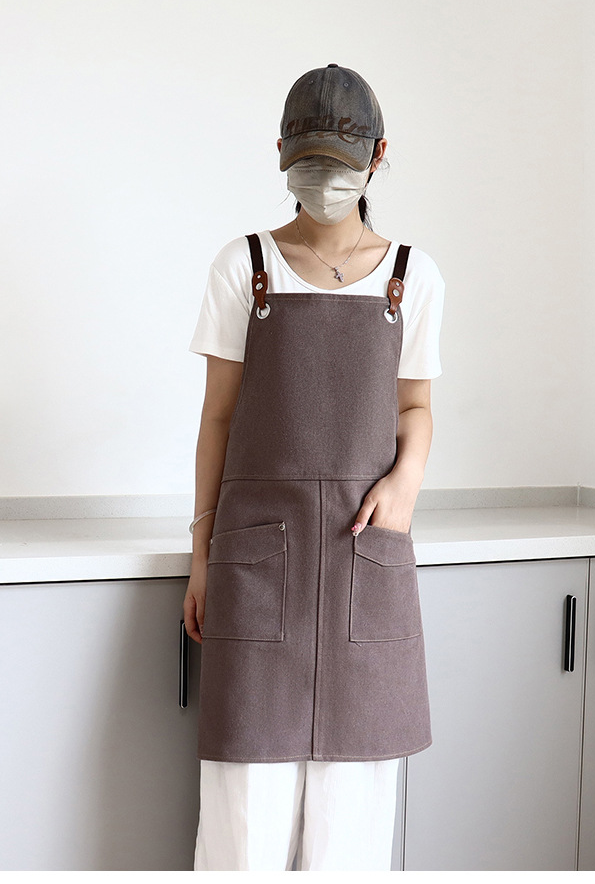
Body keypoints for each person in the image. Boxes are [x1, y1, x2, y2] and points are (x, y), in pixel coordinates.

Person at [183, 63, 446, 872]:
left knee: (350, 836)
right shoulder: (245, 266)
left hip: (364, 558)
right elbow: (218, 417)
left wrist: (406, 480)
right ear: (281, 156)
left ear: (377, 157)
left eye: (340, 163)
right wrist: (202, 553)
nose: (324, 181)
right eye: (309, 163)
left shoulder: (412, 277)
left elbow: (415, 408)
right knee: (243, 832)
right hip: (256, 566)